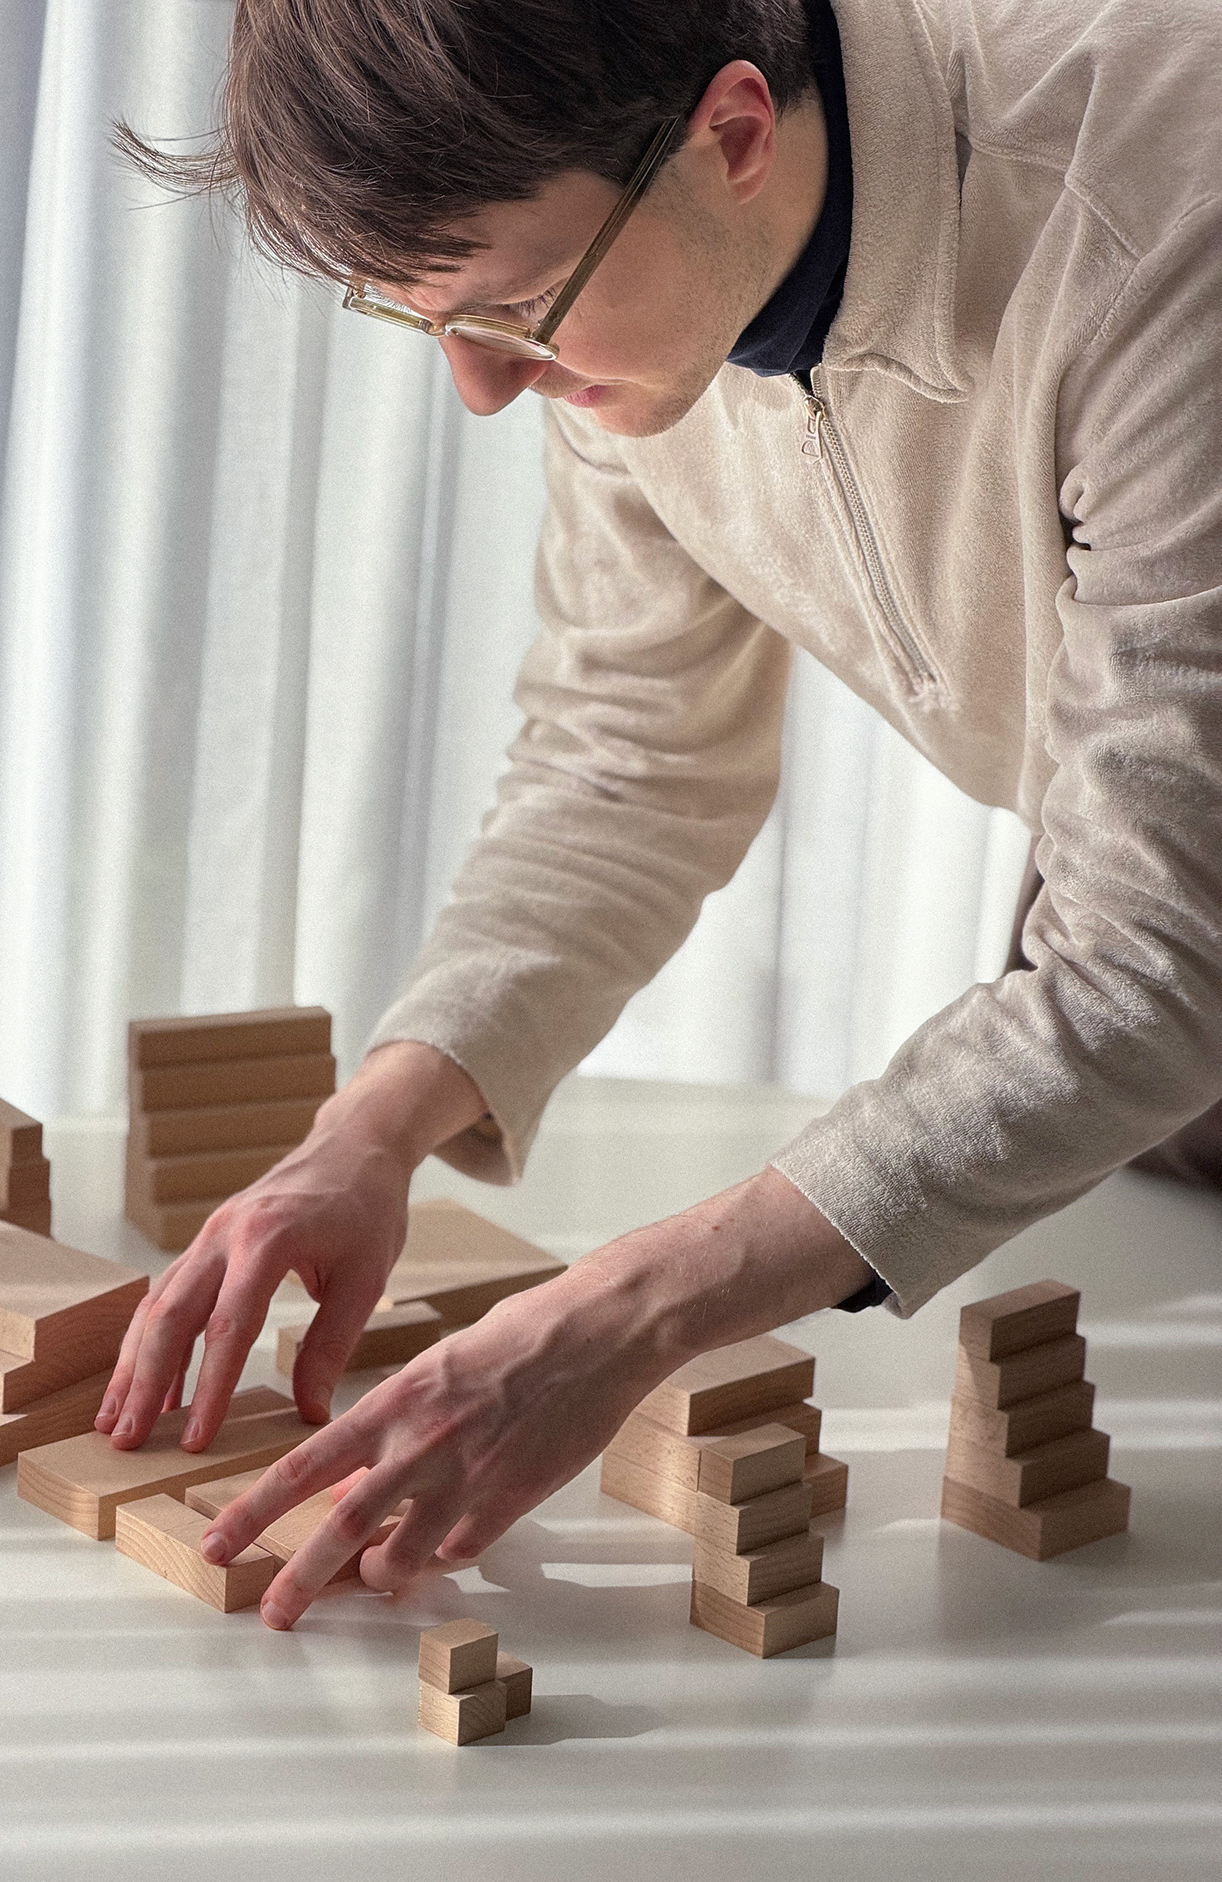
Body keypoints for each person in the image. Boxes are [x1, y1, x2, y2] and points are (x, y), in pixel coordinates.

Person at [96, 0, 1222, 1627]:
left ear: (736, 132)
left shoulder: (1160, 222)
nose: (483, 389)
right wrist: (372, 1131)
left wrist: (628, 1310)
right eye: (422, 322)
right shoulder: (643, 295)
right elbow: (630, 757)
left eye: (509, 309)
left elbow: (1157, 966)